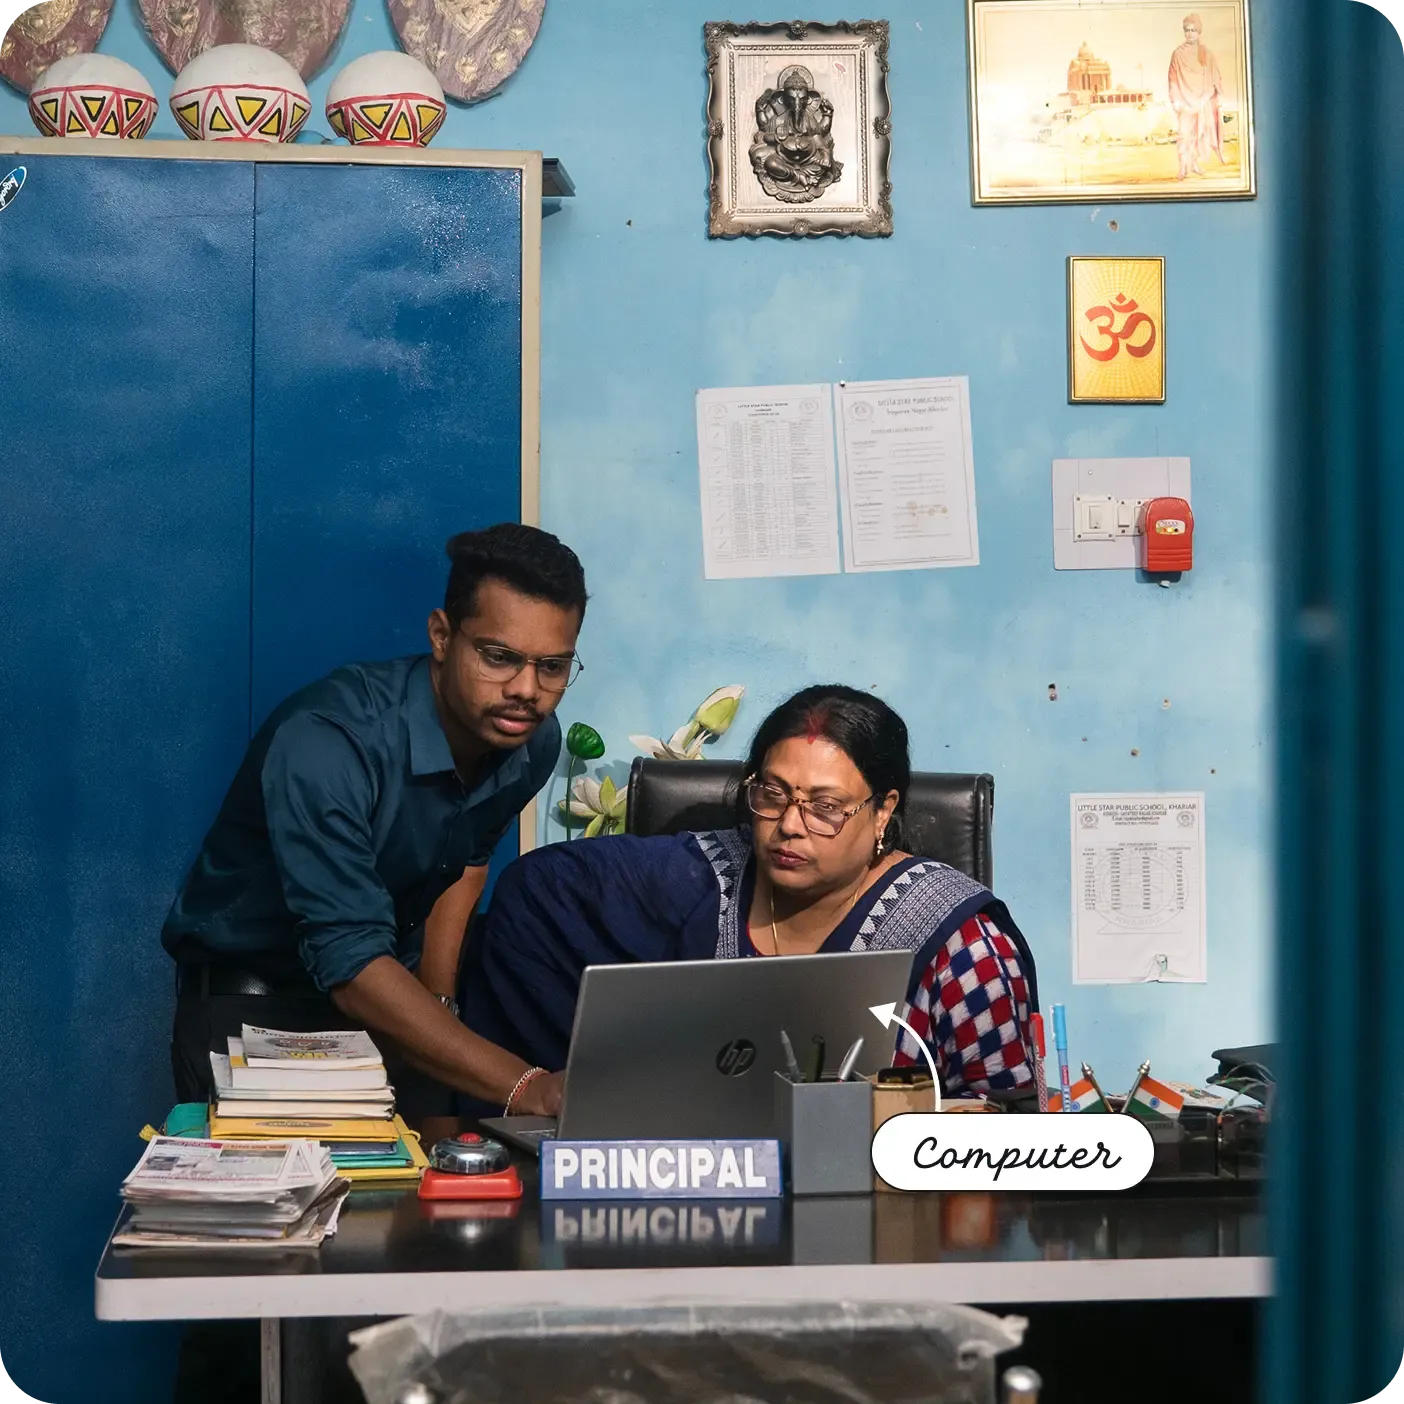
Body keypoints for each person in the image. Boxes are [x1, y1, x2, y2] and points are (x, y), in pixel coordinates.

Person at [161, 522, 586, 1119]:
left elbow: (467, 857)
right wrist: (525, 1086)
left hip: (390, 1007)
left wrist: (437, 1002)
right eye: (499, 657)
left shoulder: (530, 742)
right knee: (299, 1213)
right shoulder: (329, 741)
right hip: (254, 1012)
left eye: (553, 667)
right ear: (442, 636)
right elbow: (349, 958)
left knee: (423, 1207)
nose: (527, 690)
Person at [461, 685, 1038, 1098]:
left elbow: (1009, 1125)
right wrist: (587, 1093)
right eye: (773, 794)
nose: (789, 824)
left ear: (883, 809)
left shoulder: (959, 943)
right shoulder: (705, 875)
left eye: (826, 807)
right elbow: (533, 893)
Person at [1168, 12, 1226, 180]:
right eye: (1187, 30)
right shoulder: (1177, 54)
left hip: (1202, 101)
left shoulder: (1205, 52)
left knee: (1198, 135)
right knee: (1184, 135)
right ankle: (1182, 167)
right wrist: (1175, 101)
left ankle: (1193, 163)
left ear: (1199, 32)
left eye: (1193, 30)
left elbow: (1215, 75)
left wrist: (1215, 96)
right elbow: (1172, 80)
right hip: (1184, 102)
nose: (1190, 33)